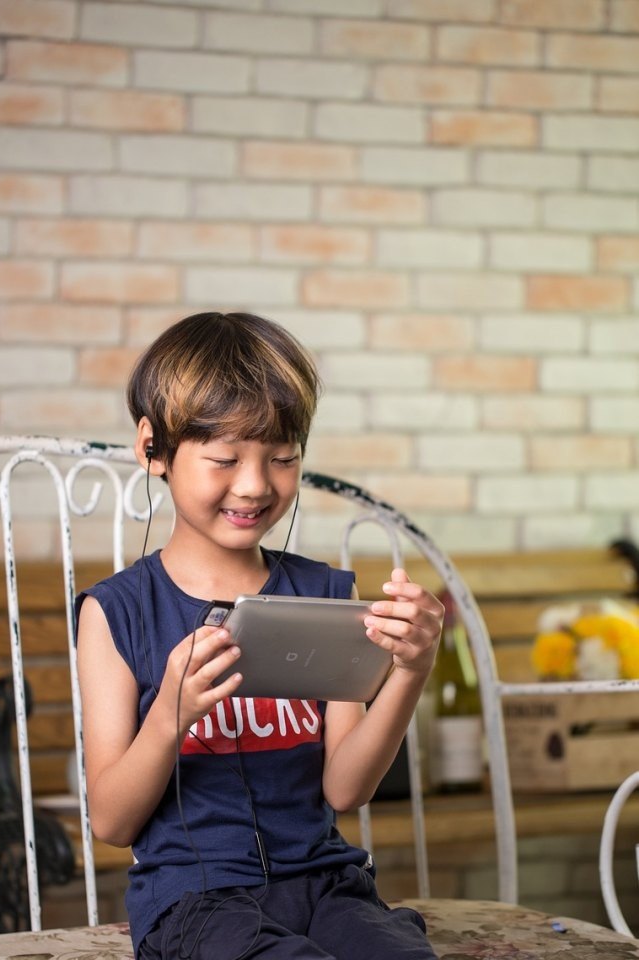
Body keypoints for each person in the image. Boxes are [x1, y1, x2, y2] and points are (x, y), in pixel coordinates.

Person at [76, 312, 443, 960]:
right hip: (194, 902)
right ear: (151, 448)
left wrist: (409, 671)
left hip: (327, 885)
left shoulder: (326, 597)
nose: (253, 484)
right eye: (224, 458)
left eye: (281, 458)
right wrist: (171, 714)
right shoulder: (117, 613)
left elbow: (344, 790)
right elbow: (112, 821)